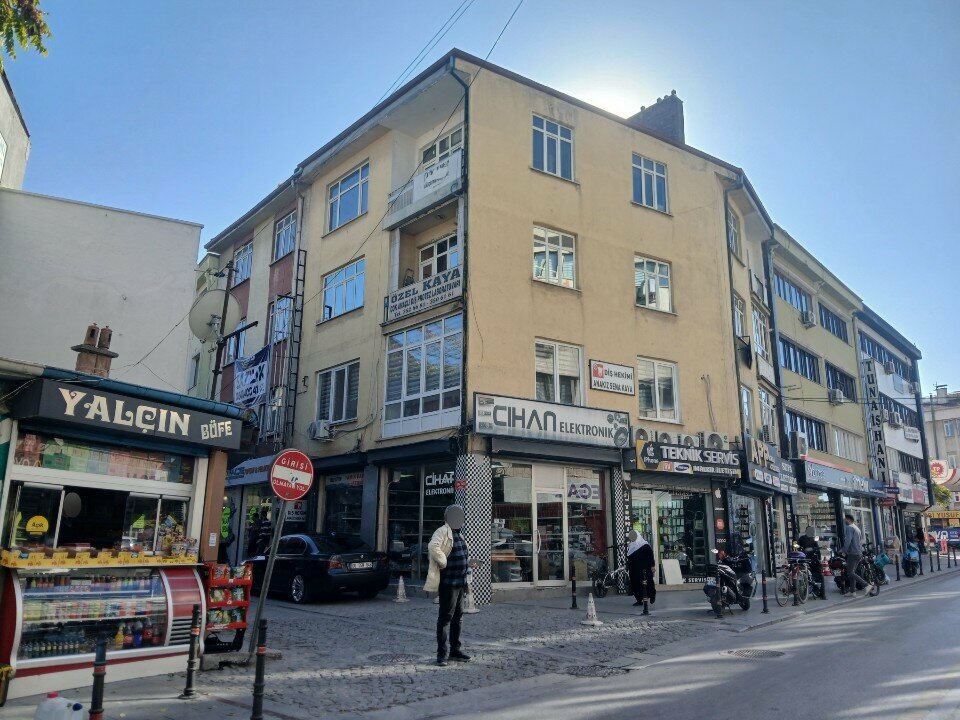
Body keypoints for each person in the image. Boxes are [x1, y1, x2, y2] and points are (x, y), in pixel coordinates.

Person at [424, 504, 473, 667]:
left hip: (460, 583)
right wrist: (443, 560)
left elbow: (460, 555)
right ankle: (442, 654)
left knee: (458, 618)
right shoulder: (442, 531)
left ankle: (455, 651)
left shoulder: (459, 534)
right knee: (445, 618)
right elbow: (432, 546)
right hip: (448, 583)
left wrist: (469, 566)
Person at [842, 514, 873, 598]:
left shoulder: (849, 528)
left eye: (845, 520)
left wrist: (844, 550)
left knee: (850, 572)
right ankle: (852, 591)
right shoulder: (856, 528)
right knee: (852, 572)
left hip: (853, 553)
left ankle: (866, 585)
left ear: (848, 520)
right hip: (858, 553)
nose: (844, 521)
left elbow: (848, 540)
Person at [626, 529, 656, 606]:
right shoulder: (631, 546)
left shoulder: (645, 545)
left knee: (647, 583)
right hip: (634, 569)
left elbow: (651, 556)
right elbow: (629, 557)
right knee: (635, 583)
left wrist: (652, 565)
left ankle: (652, 596)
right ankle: (639, 600)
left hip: (644, 568)